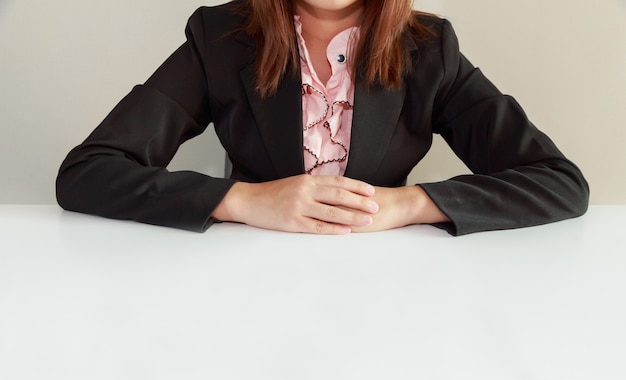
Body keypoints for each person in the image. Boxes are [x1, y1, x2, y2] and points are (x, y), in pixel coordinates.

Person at [56, 0, 589, 235]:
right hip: (235, 291)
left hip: (391, 293)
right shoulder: (217, 37)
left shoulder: (430, 48)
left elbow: (559, 183)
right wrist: (242, 200)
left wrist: (407, 206)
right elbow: (87, 173)